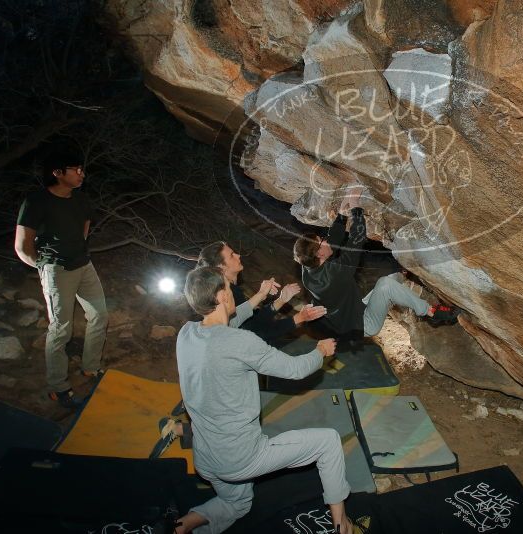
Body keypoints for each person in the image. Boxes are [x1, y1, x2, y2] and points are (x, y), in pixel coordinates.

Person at [172, 266, 353, 534]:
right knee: (328, 441)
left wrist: (263, 298)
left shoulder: (187, 333)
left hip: (205, 459)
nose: (232, 290)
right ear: (222, 296)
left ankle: (182, 525)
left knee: (238, 504)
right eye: (228, 286)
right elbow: (295, 369)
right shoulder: (241, 342)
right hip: (240, 458)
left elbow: (224, 328)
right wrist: (320, 351)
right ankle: (341, 525)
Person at [292, 189, 459, 338]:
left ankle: (404, 281)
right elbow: (356, 239)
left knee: (394, 278)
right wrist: (355, 206)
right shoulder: (335, 274)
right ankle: (431, 313)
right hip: (364, 324)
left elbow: (332, 243)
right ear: (319, 254)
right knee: (386, 285)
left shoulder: (308, 269)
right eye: (322, 240)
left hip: (355, 311)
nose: (326, 240)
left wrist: (342, 214)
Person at [14, 147, 108, 408]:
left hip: (84, 265)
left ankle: (91, 367)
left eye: (82, 169)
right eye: (76, 170)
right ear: (57, 173)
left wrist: (77, 252)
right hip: (57, 270)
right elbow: (22, 246)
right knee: (61, 328)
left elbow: (83, 231)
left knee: (100, 315)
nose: (81, 174)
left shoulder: (81, 199)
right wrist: (45, 268)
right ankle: (58, 386)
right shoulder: (36, 202)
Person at [196, 241, 325, 344]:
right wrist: (298, 318)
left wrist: (281, 300)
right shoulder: (230, 295)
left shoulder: (232, 290)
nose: (238, 255)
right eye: (231, 255)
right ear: (221, 268)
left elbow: (253, 322)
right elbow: (257, 333)